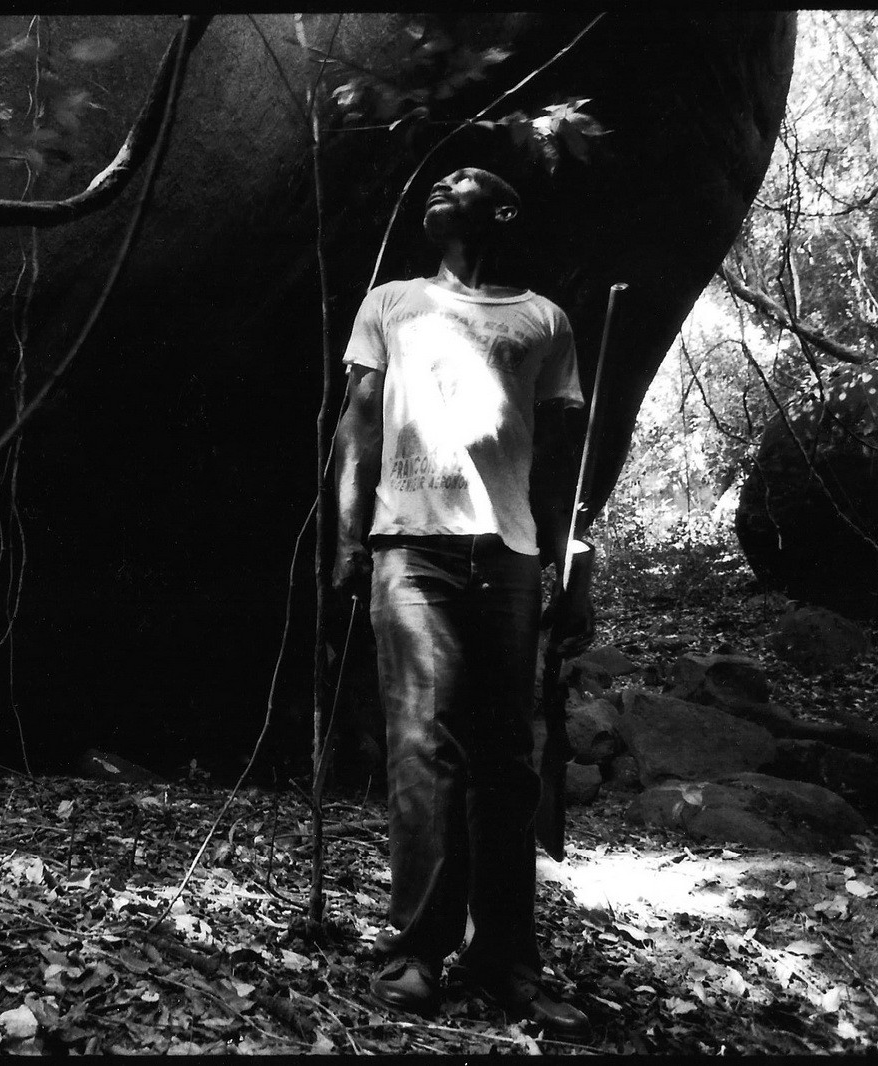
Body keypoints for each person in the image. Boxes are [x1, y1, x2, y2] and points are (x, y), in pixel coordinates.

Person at [331, 166, 595, 1038]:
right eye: (437, 182)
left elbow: (557, 462)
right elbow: (358, 427)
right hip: (411, 549)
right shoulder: (394, 302)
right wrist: (345, 536)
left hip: (511, 555)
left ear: (503, 211)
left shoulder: (544, 320)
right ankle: (418, 950)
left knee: (505, 765)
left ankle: (507, 957)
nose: (444, 186)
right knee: (423, 746)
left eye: (465, 180)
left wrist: (574, 567)